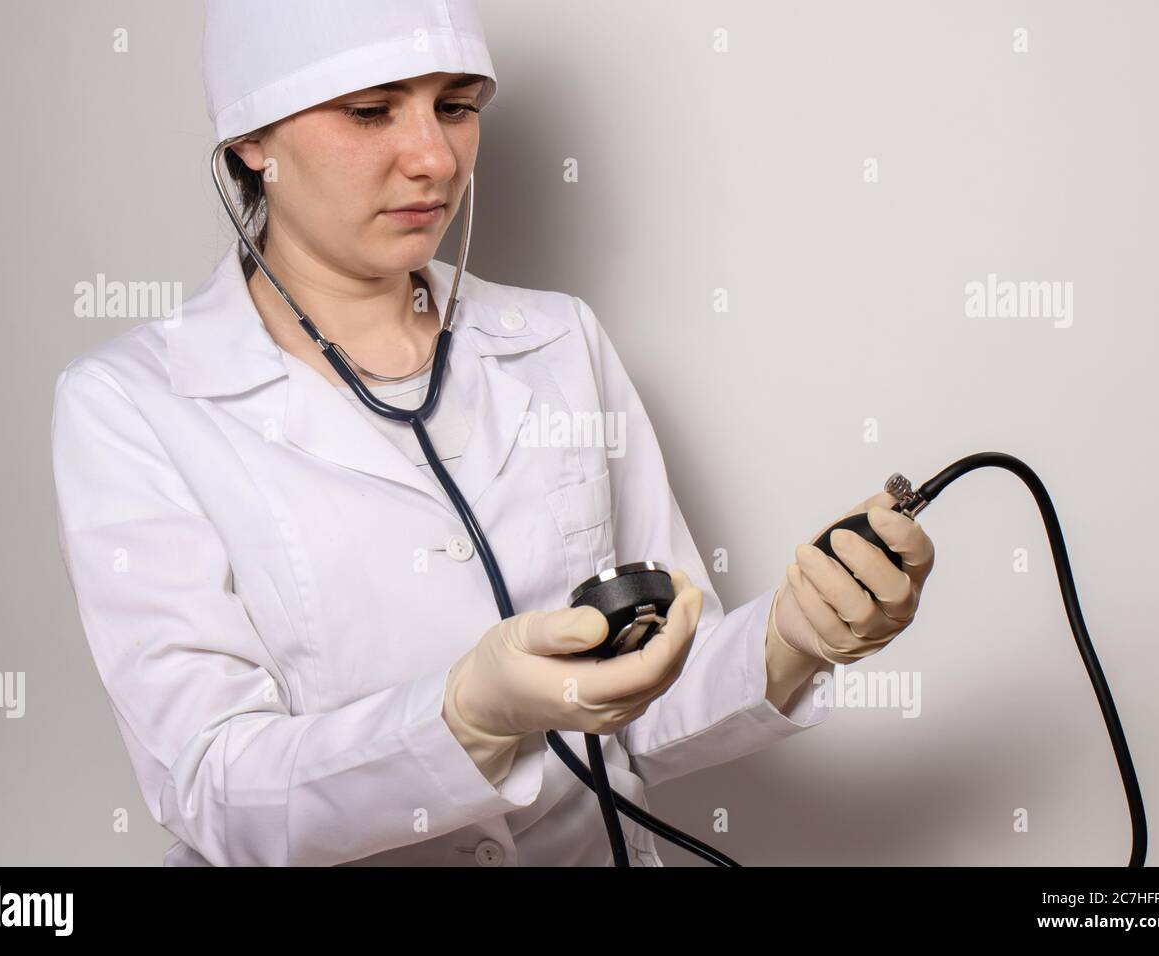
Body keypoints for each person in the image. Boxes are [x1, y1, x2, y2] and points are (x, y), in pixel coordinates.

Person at [49, 0, 935, 867]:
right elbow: (212, 792)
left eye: (458, 106)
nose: (434, 157)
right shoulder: (134, 405)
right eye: (370, 111)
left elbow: (645, 704)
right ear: (249, 138)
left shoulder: (558, 342)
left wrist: (792, 638)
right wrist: (464, 717)